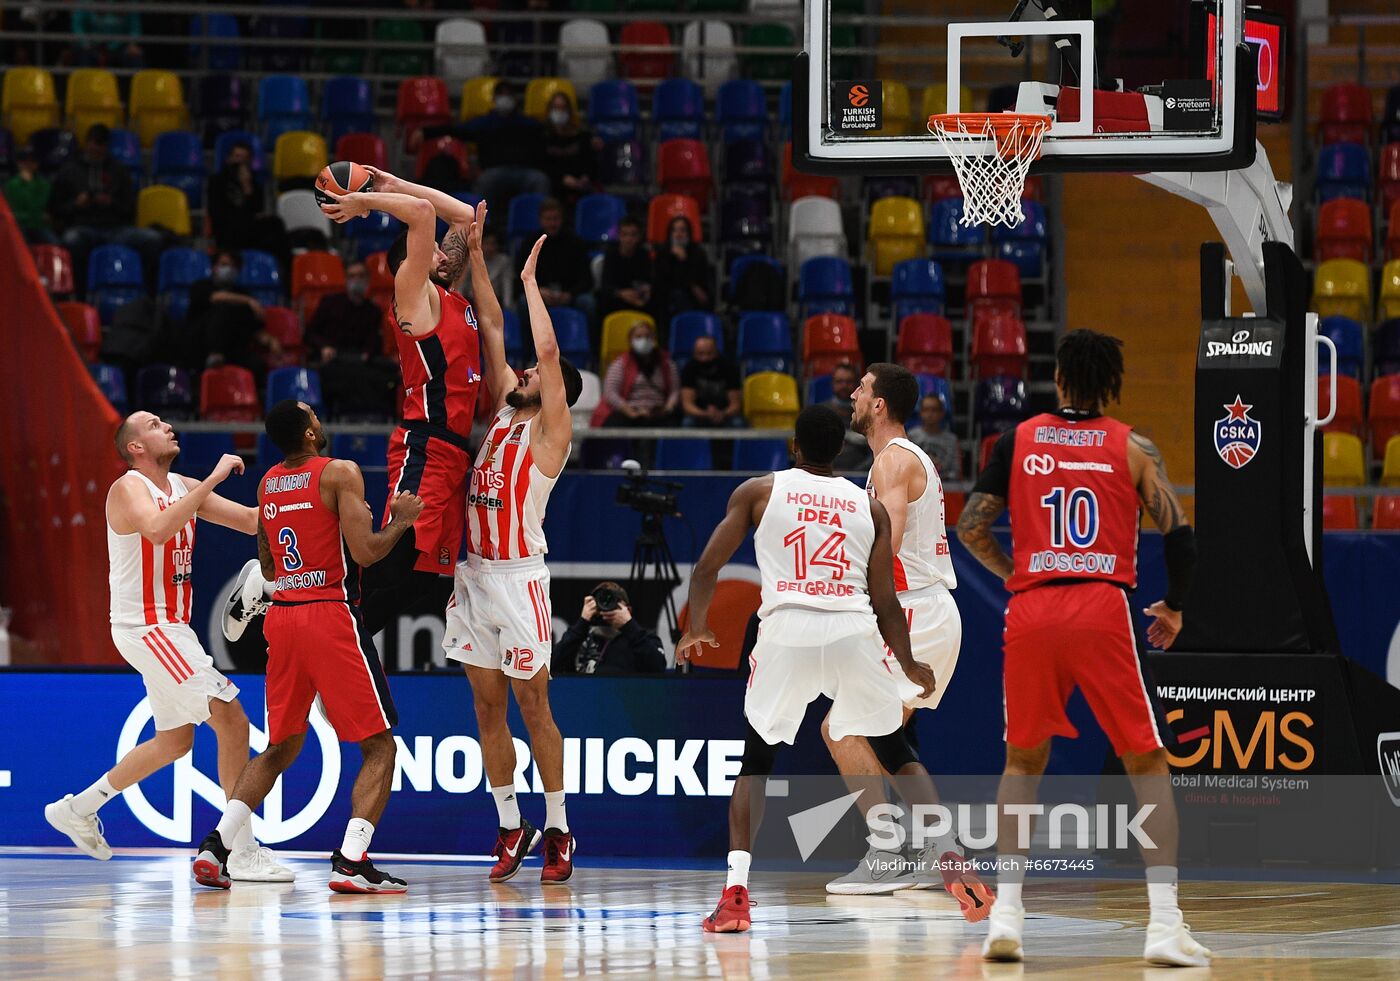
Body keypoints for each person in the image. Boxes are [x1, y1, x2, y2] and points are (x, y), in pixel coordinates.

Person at [956, 329, 1207, 967]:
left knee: (1022, 763)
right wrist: (1175, 606)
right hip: (1102, 605)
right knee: (1146, 764)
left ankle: (1005, 915)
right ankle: (1163, 924)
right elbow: (1180, 535)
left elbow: (970, 526)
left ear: (1059, 379)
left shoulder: (1016, 441)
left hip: (1033, 608)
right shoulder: (1133, 447)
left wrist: (1015, 572)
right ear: (1110, 385)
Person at [677, 404, 936, 933]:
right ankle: (950, 854)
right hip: (852, 631)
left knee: (756, 762)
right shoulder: (870, 507)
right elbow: (886, 602)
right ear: (841, 450)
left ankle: (736, 895)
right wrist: (908, 665)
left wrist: (695, 627)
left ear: (793, 448)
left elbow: (707, 566)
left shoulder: (760, 491)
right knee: (893, 747)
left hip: (787, 632)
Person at [44, 412, 290, 884]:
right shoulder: (129, 487)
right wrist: (214, 479)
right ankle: (241, 851)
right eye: (154, 424)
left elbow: (250, 521)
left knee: (175, 742)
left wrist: (304, 502)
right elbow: (157, 530)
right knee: (233, 720)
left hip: (169, 628)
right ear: (135, 446)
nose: (168, 426)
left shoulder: (181, 484)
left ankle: (79, 809)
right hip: (148, 626)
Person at [193, 400, 424, 893]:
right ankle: (352, 859)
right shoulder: (340, 472)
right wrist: (402, 521)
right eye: (315, 414)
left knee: (280, 747)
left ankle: (217, 845)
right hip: (330, 615)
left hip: (283, 618)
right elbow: (365, 553)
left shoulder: (268, 483)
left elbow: (270, 567)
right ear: (313, 431)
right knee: (380, 745)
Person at [819, 363, 991, 916]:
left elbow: (884, 547)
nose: (852, 392)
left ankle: (887, 850)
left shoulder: (894, 461)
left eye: (862, 388)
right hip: (919, 612)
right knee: (888, 742)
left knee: (841, 726)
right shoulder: (891, 462)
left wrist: (832, 584)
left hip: (914, 612)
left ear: (879, 405)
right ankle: (940, 849)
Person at [442, 224, 585, 884]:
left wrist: (530, 282)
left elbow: (547, 350)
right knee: (486, 709)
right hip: (473, 576)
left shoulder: (553, 430)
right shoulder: (503, 412)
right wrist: (477, 257)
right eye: (522, 371)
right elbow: (493, 324)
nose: (522, 370)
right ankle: (510, 824)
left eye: (532, 372)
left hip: (520, 578)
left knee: (535, 708)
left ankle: (558, 827)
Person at [315, 169, 483, 641]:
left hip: (453, 452)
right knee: (395, 564)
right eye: (429, 248)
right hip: (425, 446)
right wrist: (367, 203)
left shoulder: (448, 295)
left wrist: (391, 184)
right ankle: (309, 614)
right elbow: (426, 215)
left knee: (425, 580)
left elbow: (465, 219)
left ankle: (342, 638)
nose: (439, 251)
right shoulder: (413, 296)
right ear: (409, 261)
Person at [419, 80, 549, 225]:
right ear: (494, 99)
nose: (505, 99)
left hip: (524, 172)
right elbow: (455, 130)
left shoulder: (527, 124)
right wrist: (425, 132)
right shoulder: (485, 123)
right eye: (501, 95)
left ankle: (540, 224)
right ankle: (483, 227)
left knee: (540, 180)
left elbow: (545, 134)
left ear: (515, 99)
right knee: (486, 182)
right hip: (494, 172)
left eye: (508, 95)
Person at [50, 124, 162, 289]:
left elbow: (130, 208)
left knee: (153, 239)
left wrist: (111, 203)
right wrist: (76, 204)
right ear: (87, 143)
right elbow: (56, 208)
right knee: (71, 240)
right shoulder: (70, 170)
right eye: (94, 143)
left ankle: (145, 292)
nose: (97, 149)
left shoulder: (119, 170)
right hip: (82, 226)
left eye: (101, 144)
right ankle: (80, 292)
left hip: (115, 228)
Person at [305, 259, 398, 418]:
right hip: (333, 359)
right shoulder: (330, 303)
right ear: (346, 280)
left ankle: (376, 418)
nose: (357, 280)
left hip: (359, 360)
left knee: (388, 371)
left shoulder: (373, 311)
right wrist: (323, 347)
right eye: (352, 276)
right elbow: (309, 334)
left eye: (361, 276)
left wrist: (367, 353)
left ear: (368, 280)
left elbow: (373, 342)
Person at [187, 250, 275, 376]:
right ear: (214, 267)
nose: (229, 269)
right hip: (201, 348)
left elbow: (254, 329)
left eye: (233, 266)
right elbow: (216, 297)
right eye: (224, 264)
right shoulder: (201, 286)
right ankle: (215, 354)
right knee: (224, 308)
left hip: (233, 350)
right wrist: (248, 301)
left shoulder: (243, 293)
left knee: (258, 365)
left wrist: (271, 341)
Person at [552, 581, 667, 675]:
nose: (606, 607)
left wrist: (630, 626)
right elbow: (552, 666)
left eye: (612, 602)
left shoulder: (643, 638)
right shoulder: (579, 638)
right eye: (601, 602)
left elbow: (658, 669)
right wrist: (582, 622)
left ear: (628, 610)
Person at [515, 197, 595, 328]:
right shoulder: (530, 243)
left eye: (555, 219)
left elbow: (587, 280)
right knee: (524, 303)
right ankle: (528, 348)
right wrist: (538, 291)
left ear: (562, 219)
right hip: (540, 296)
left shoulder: (576, 242)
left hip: (569, 295)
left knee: (588, 302)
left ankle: (592, 346)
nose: (552, 223)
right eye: (548, 219)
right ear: (540, 220)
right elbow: (519, 279)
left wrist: (570, 294)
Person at [597, 321, 680, 427]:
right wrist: (628, 410)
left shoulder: (667, 363)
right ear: (630, 340)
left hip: (659, 413)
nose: (644, 340)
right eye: (639, 337)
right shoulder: (621, 363)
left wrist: (668, 408)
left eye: (648, 336)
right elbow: (610, 393)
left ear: (654, 339)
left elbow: (675, 391)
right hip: (630, 412)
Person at [540, 92, 598, 208]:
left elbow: (590, 162)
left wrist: (586, 176)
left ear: (569, 111)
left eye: (563, 108)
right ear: (550, 110)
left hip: (579, 183)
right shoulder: (542, 136)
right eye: (556, 108)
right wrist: (562, 179)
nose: (560, 112)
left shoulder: (582, 136)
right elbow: (541, 164)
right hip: (554, 183)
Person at [651, 216, 712, 326]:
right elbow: (662, 282)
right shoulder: (663, 252)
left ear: (689, 233)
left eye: (682, 230)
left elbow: (701, 283)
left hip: (691, 298)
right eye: (675, 230)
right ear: (670, 233)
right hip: (666, 298)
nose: (678, 234)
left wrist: (683, 261)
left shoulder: (698, 254)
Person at [206, 139, 260, 252]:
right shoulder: (217, 180)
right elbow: (215, 210)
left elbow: (257, 210)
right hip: (225, 226)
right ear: (229, 158)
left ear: (249, 161)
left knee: (273, 226)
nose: (240, 161)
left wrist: (247, 187)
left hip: (249, 227)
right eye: (237, 156)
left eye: (244, 158)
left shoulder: (254, 182)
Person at [680, 335, 744, 429]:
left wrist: (722, 413)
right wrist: (705, 414)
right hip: (699, 415)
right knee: (688, 422)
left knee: (738, 423)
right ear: (694, 353)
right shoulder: (689, 368)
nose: (705, 358)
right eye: (700, 354)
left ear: (716, 352)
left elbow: (736, 405)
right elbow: (687, 405)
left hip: (725, 414)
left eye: (709, 353)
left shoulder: (729, 368)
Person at [597, 216, 653, 320]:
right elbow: (605, 285)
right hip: (616, 298)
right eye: (625, 234)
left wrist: (643, 293)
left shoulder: (643, 255)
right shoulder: (611, 254)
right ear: (619, 236)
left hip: (637, 298)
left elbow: (647, 282)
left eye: (633, 235)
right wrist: (621, 293)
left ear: (639, 237)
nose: (628, 239)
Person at [823, 362, 873, 471]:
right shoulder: (821, 412)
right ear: (832, 383)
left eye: (849, 381)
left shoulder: (868, 412)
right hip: (827, 474)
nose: (844, 386)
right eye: (839, 381)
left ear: (858, 384)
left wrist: (859, 473)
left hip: (861, 475)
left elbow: (874, 449)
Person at [4, 145, 54, 244]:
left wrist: (30, 184)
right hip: (18, 227)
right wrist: (37, 216)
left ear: (37, 164)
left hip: (39, 226)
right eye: (24, 162)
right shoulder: (10, 185)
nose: (27, 165)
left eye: (31, 162)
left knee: (55, 244)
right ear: (18, 163)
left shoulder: (44, 185)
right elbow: (12, 214)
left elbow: (37, 207)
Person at [905, 393, 961, 481]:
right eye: (926, 410)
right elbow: (906, 468)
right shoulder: (912, 436)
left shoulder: (951, 440)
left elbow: (955, 472)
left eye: (934, 410)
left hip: (944, 487)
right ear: (920, 413)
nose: (930, 414)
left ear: (941, 413)